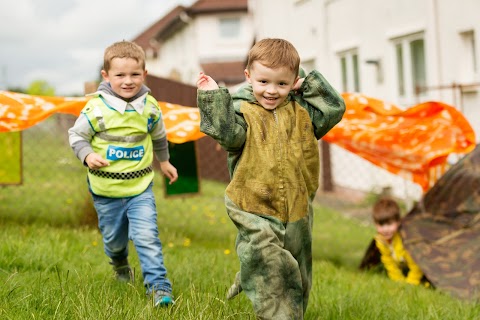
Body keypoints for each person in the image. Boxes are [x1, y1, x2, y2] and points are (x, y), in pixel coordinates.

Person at [196, 38, 346, 319]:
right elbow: (228, 135)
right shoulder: (242, 110)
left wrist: (310, 87)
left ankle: (282, 301)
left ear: (293, 82)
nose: (272, 91)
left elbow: (334, 109)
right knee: (267, 257)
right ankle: (275, 311)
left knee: (299, 270)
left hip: (297, 206)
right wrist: (213, 97)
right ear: (248, 76)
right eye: (263, 81)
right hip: (251, 202)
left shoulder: (302, 112)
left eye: (282, 84)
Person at [68, 40, 177, 307]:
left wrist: (164, 162)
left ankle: (159, 287)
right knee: (115, 243)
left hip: (140, 188)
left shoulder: (150, 107)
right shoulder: (96, 108)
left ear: (145, 74)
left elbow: (160, 138)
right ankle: (120, 266)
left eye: (134, 74)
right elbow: (76, 135)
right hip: (106, 192)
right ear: (106, 76)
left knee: (147, 236)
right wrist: (88, 155)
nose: (128, 81)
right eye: (120, 75)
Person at [372, 197, 424, 285]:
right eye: (381, 224)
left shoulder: (405, 240)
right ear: (375, 224)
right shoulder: (380, 240)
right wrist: (398, 280)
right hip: (402, 265)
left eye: (389, 224)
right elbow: (388, 262)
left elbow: (416, 264)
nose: (385, 229)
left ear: (398, 222)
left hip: (416, 267)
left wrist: (411, 282)